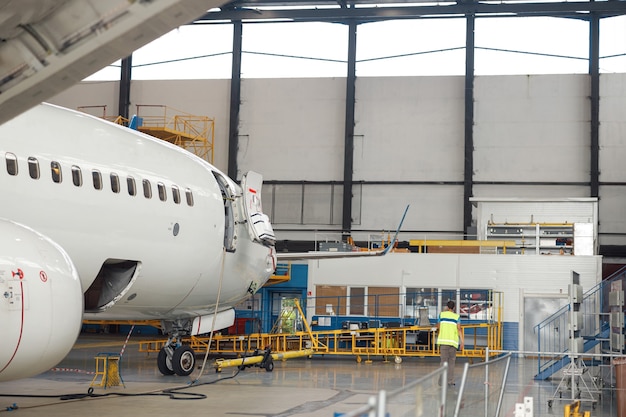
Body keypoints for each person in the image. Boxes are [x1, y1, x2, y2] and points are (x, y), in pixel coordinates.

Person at [436, 300, 464, 386]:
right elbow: (459, 329)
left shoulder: (442, 315)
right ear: (454, 307)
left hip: (443, 342)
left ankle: (441, 381)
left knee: (443, 361)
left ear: (447, 307)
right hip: (453, 343)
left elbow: (438, 326)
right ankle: (450, 381)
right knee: (452, 362)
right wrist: (462, 341)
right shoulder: (457, 317)